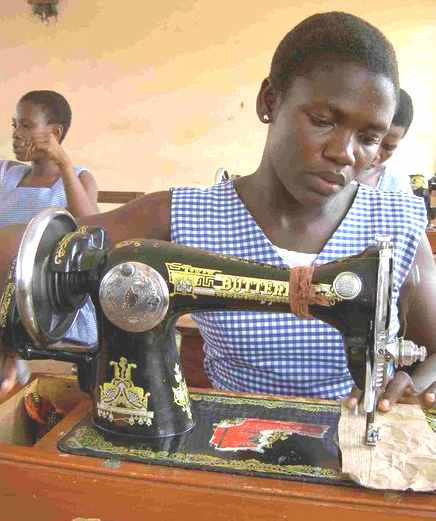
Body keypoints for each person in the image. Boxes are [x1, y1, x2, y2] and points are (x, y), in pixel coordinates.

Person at [0, 13, 435, 412]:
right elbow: (37, 251)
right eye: (322, 120)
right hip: (229, 434)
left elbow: (434, 353)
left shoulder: (397, 223)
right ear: (269, 100)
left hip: (354, 444)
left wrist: (414, 382)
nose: (344, 153)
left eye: (370, 137)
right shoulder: (186, 211)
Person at [0, 90, 98, 353]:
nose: (16, 133)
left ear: (55, 133)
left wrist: (64, 163)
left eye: (27, 125)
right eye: (15, 124)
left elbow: (88, 229)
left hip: (48, 302)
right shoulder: (5, 174)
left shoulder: (78, 179)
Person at [356, 88, 413, 192]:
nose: (375, 155)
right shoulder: (329, 169)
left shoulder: (397, 186)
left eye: (388, 148)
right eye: (369, 139)